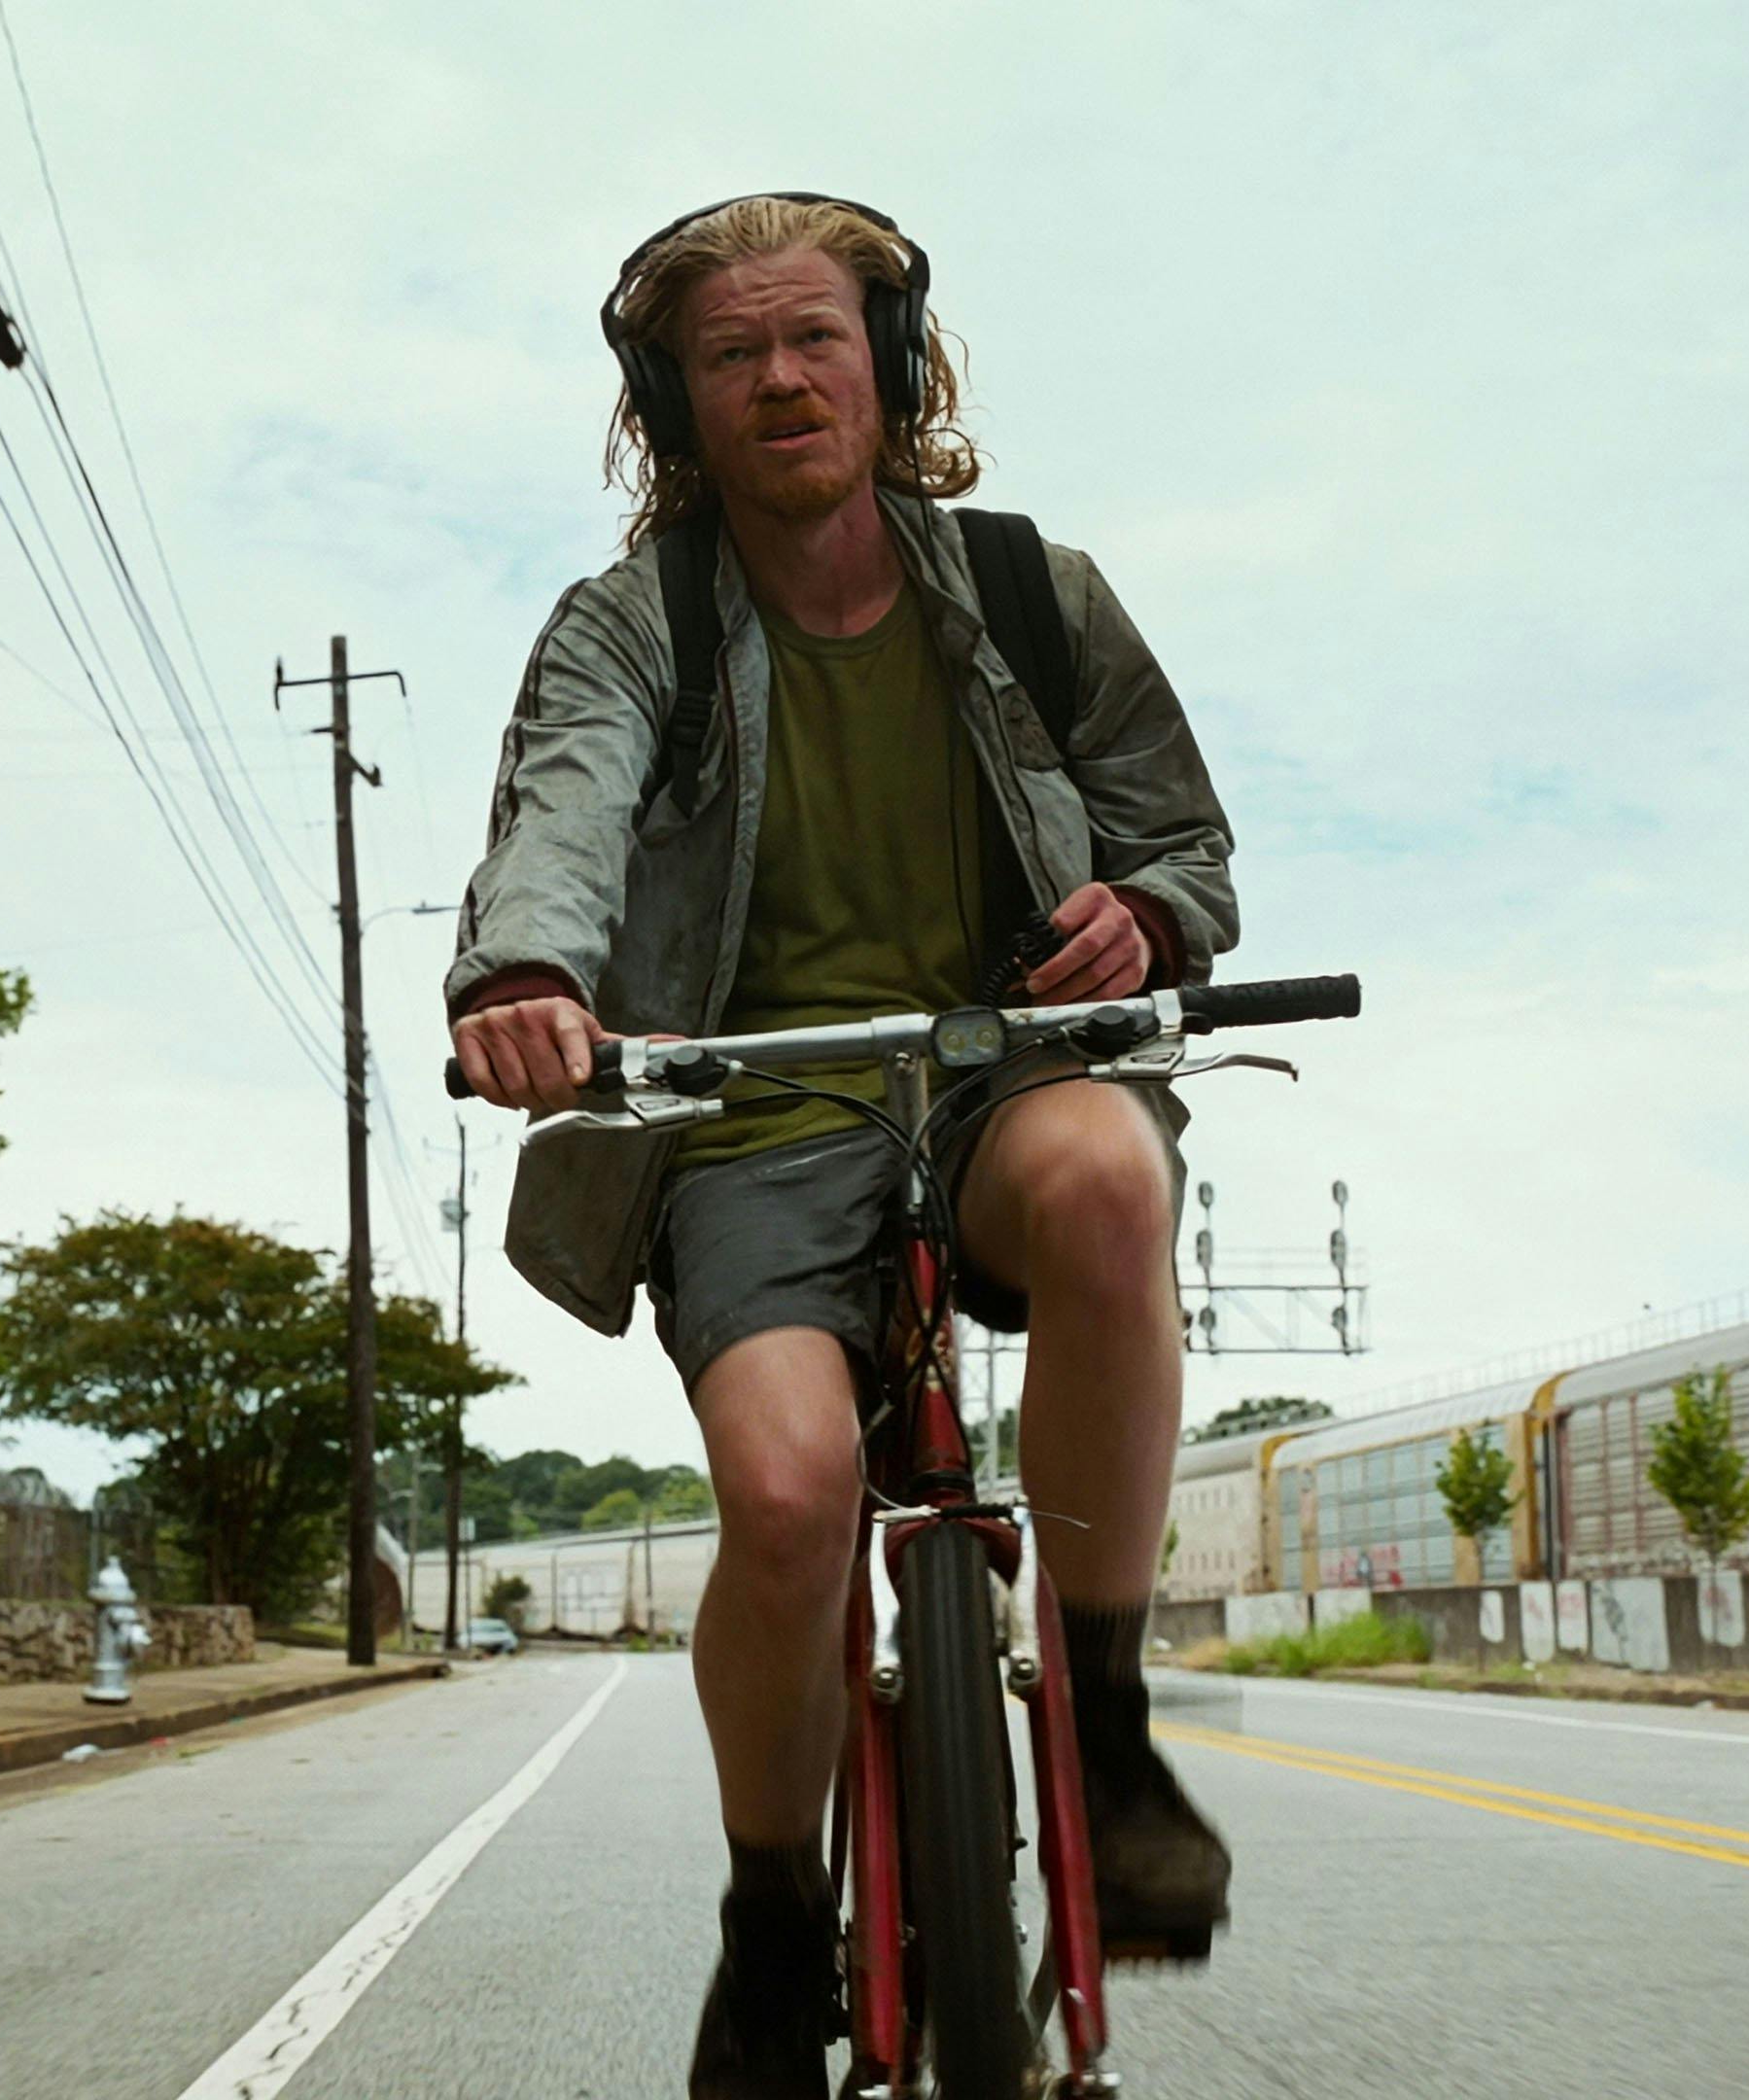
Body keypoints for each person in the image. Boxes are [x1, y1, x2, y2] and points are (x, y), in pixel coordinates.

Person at [443, 193, 1240, 2098]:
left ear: (889, 368)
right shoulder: (637, 627)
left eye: (816, 340)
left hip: (999, 1078)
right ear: (677, 404)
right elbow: (563, 811)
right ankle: (771, 1913)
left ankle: (1110, 1735)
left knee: (1115, 1183)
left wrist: (1149, 916)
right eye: (733, 356)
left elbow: (1184, 847)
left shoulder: (1038, 593)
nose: (783, 379)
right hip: (740, 1123)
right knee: (792, 1498)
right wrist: (533, 971)